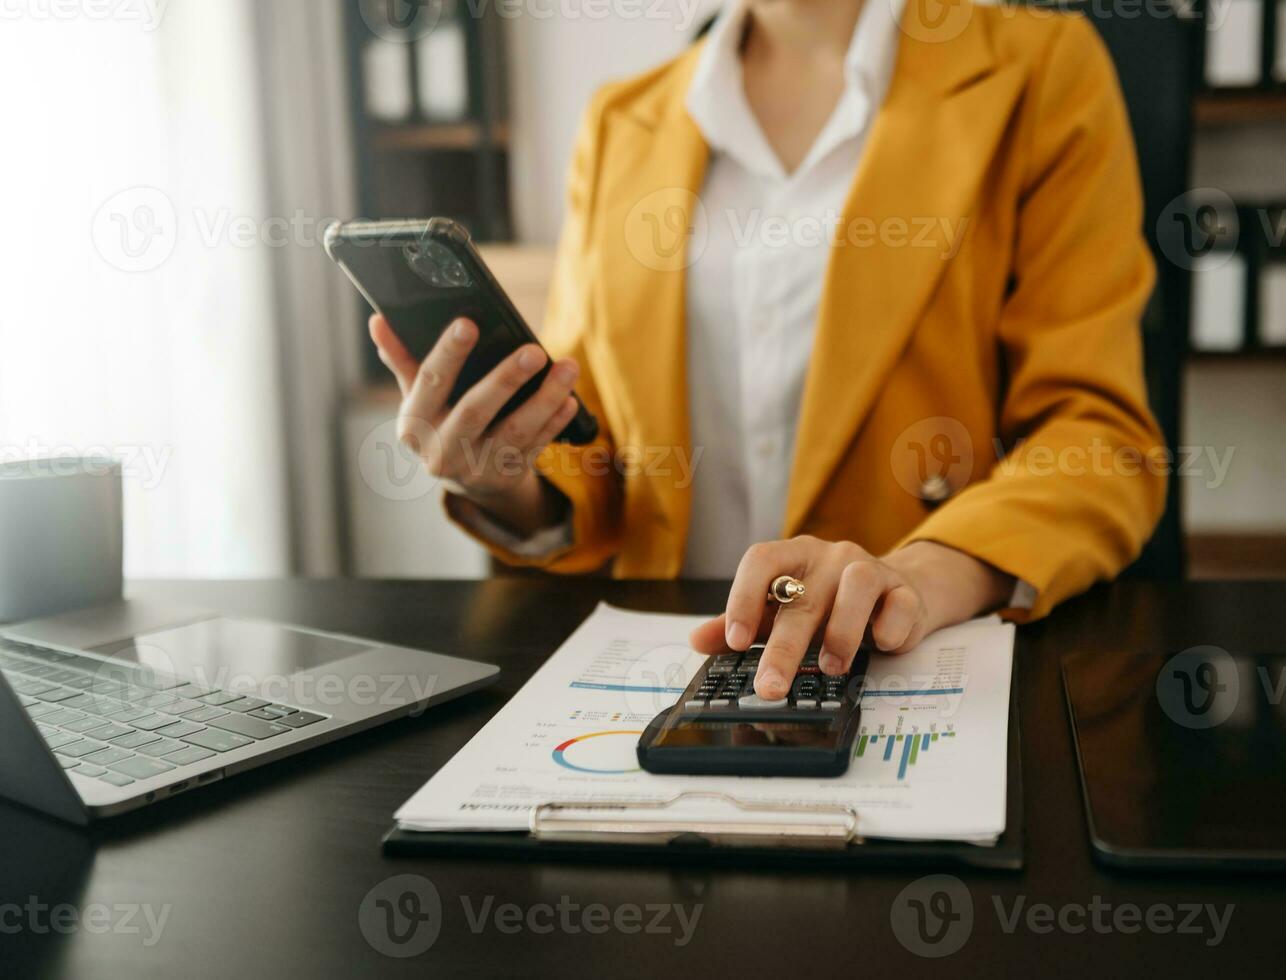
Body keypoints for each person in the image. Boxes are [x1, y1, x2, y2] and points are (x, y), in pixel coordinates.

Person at [367, 0, 1166, 701]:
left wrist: (918, 575)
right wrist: (503, 479)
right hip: (661, 675)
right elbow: (596, 450)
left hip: (907, 671)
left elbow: (1096, 440)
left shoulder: (1040, 71)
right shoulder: (622, 121)